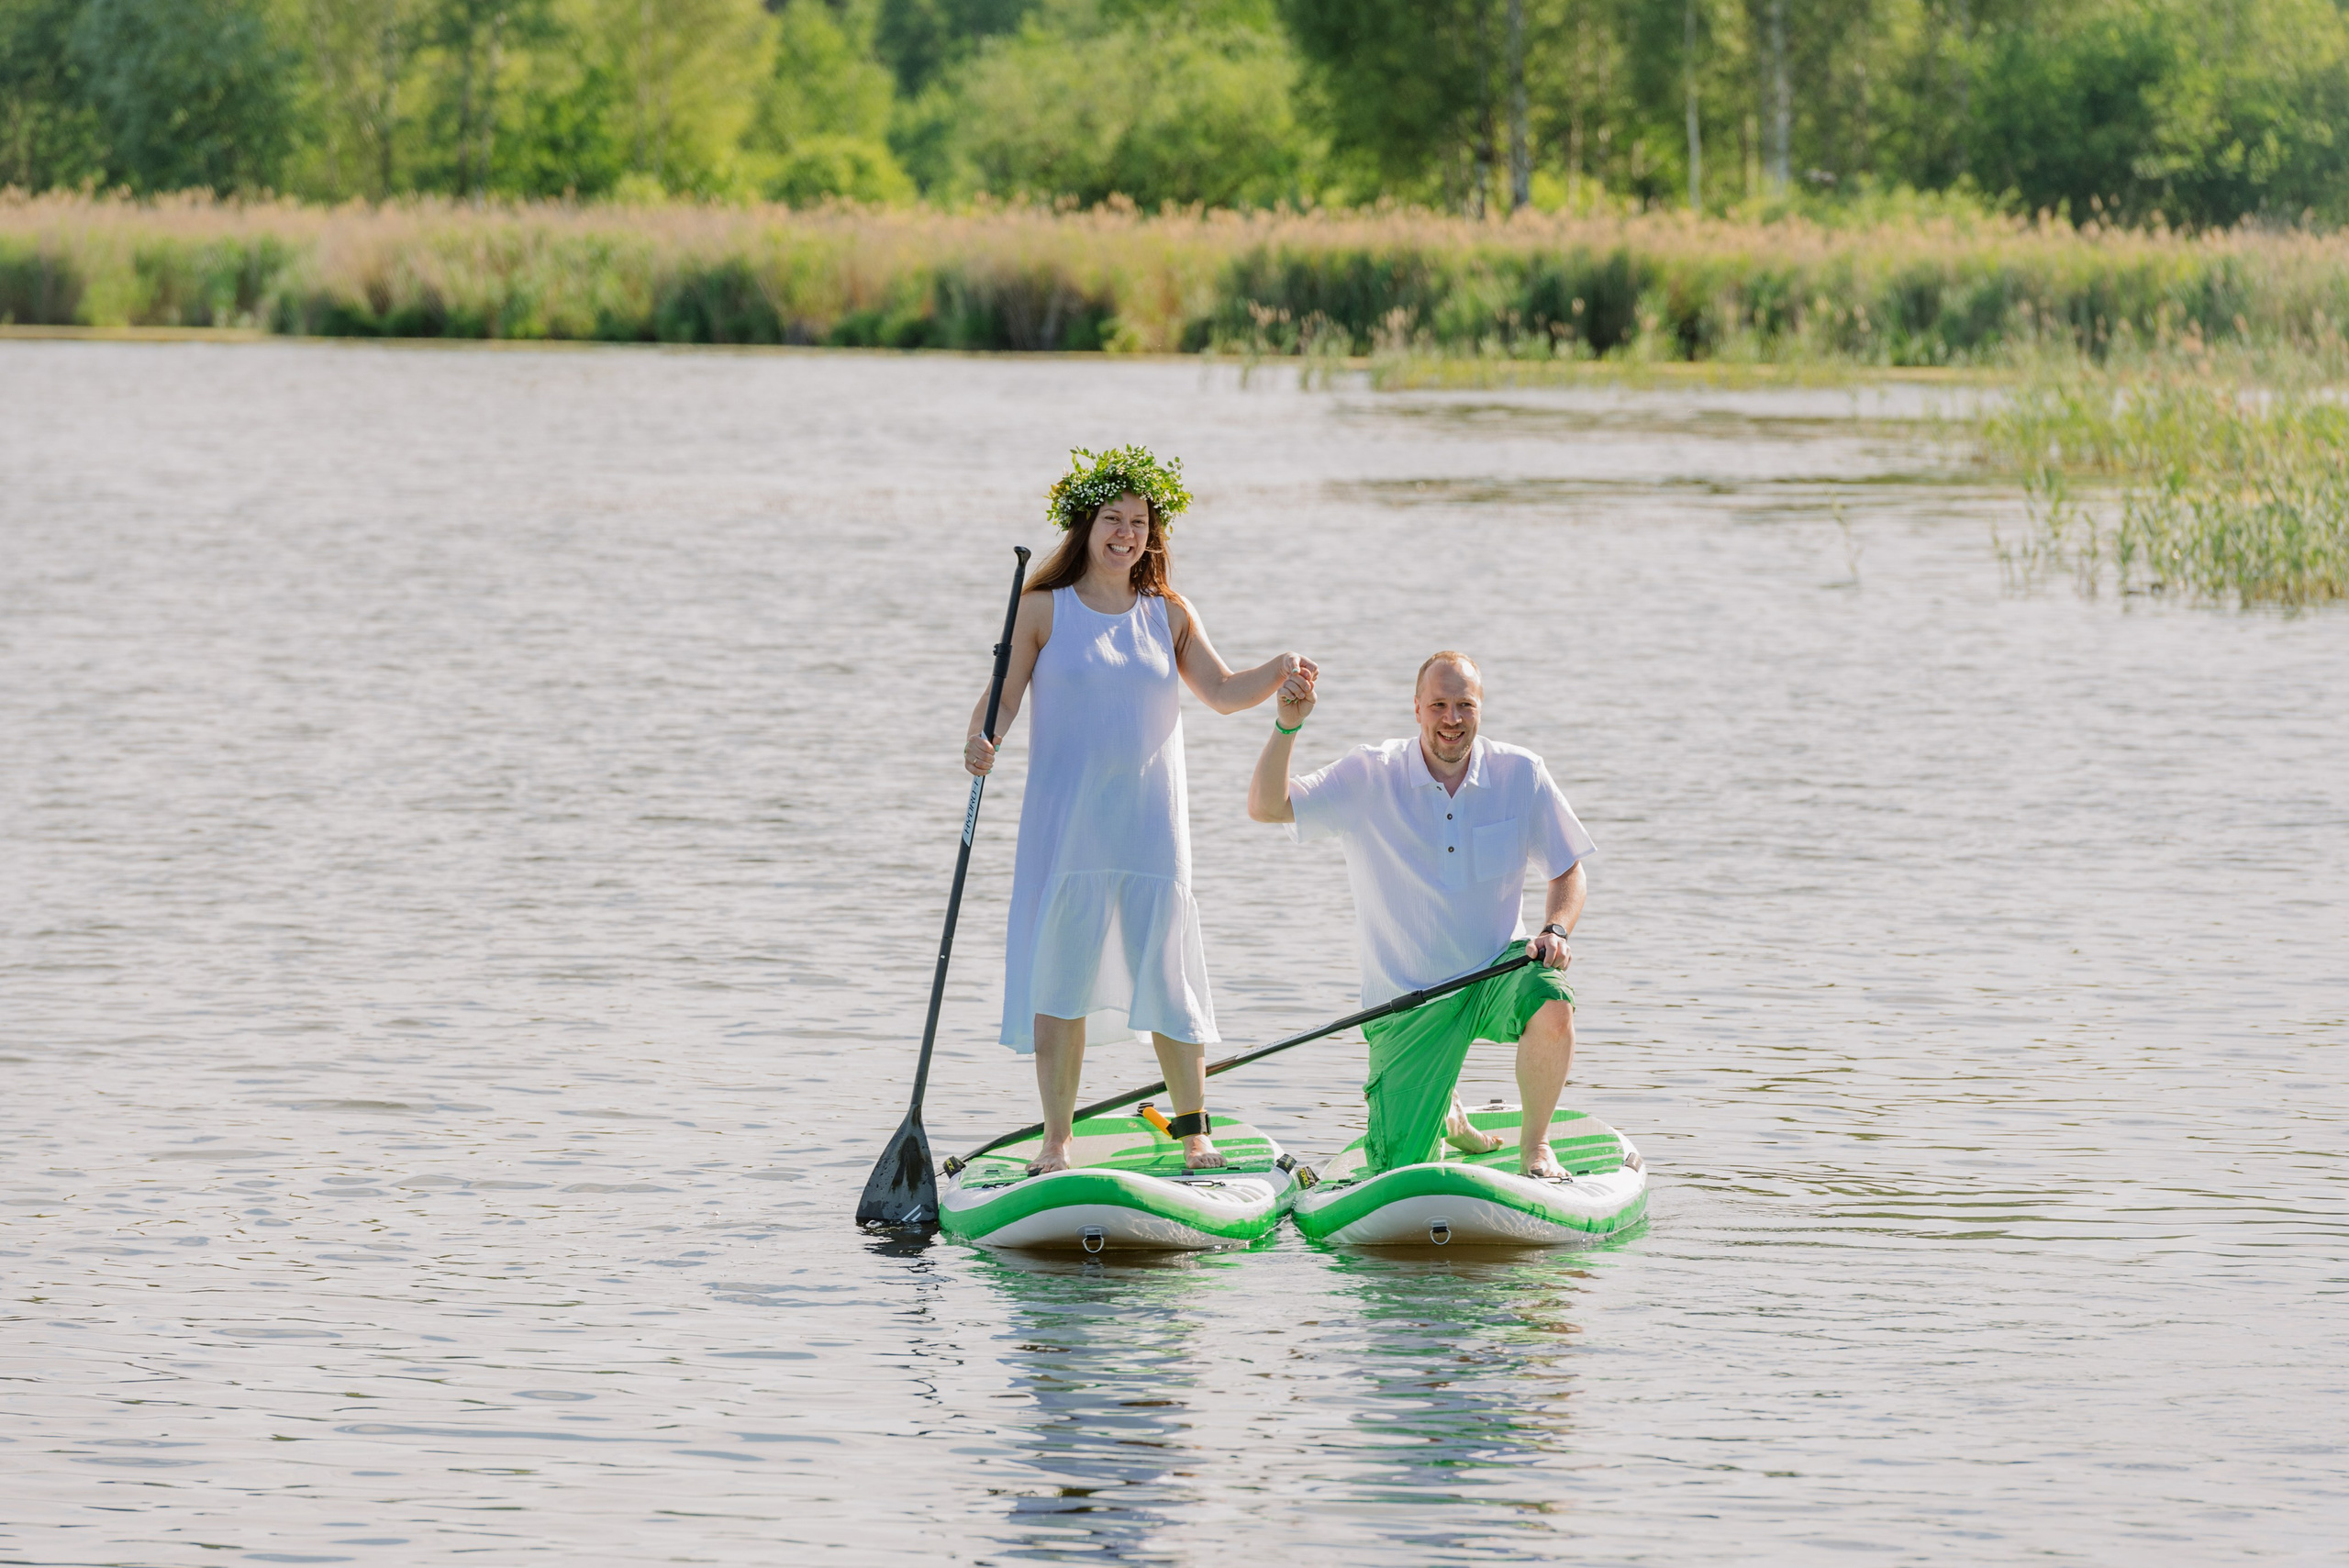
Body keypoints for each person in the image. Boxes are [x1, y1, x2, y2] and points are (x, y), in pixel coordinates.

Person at [967, 446, 1316, 1176]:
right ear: (1085, 526)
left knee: (1169, 978)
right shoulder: (1042, 608)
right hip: (1068, 830)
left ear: (1152, 534)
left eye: (1138, 521)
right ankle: (1056, 1144)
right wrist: (981, 736)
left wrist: (1280, 674)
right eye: (1112, 519)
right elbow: (1003, 695)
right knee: (1059, 984)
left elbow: (1221, 690)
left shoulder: (1168, 614)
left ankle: (1196, 1136)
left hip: (1152, 832)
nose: (1125, 533)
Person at [1246, 651, 1594, 1179]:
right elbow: (1267, 807)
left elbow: (1568, 870)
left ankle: (1536, 1148)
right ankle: (1445, 1107)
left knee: (1551, 998)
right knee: (1402, 1175)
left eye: (1464, 705)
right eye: (1438, 705)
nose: (1451, 719)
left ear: (1480, 710)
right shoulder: (1370, 773)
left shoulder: (1520, 773)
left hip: (1492, 975)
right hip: (1404, 1005)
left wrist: (1555, 929)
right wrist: (1286, 726)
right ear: (1416, 710)